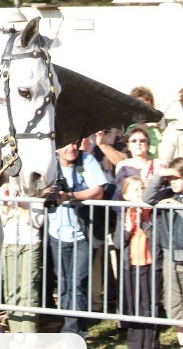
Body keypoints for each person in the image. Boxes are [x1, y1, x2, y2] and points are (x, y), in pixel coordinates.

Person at [44, 140, 107, 339]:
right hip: (57, 234)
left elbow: (98, 191)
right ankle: (70, 325)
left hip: (83, 234)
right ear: (57, 148)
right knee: (63, 283)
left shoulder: (86, 160)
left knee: (77, 282)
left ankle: (74, 332)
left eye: (74, 144)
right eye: (66, 145)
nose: (71, 148)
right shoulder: (50, 163)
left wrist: (70, 195)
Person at [114, 176, 161, 349]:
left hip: (150, 265)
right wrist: (128, 228)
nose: (141, 193)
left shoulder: (152, 211)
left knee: (149, 306)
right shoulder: (123, 213)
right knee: (134, 305)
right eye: (136, 190)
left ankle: (151, 343)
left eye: (142, 188)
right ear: (125, 195)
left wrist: (144, 219)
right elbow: (119, 243)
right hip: (131, 265)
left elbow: (157, 237)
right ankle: (135, 343)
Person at [143, 157, 183, 348]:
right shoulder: (166, 193)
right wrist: (160, 175)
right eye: (171, 179)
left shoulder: (173, 200)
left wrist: (178, 207)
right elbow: (147, 198)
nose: (173, 182)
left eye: (178, 178)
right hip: (169, 257)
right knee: (174, 304)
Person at [0, 182, 43, 332]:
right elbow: (0, 222)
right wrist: (5, 203)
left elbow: (38, 222)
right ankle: (16, 332)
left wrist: (22, 204)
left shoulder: (35, 192)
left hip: (30, 243)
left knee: (29, 291)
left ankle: (30, 333)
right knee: (11, 291)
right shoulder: (1, 192)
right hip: (8, 244)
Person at [114, 126, 162, 199]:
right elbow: (119, 192)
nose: (138, 143)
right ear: (128, 146)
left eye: (142, 140)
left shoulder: (158, 164)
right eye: (134, 141)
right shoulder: (123, 166)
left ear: (148, 145)